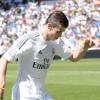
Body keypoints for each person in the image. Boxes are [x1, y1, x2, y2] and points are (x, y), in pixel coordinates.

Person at [0, 11, 95, 100]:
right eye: (59, 31)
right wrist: (1, 82)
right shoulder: (28, 39)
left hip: (42, 95)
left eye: (62, 32)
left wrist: (84, 48)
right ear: (49, 26)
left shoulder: (57, 42)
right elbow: (4, 59)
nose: (60, 35)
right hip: (24, 95)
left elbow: (73, 57)